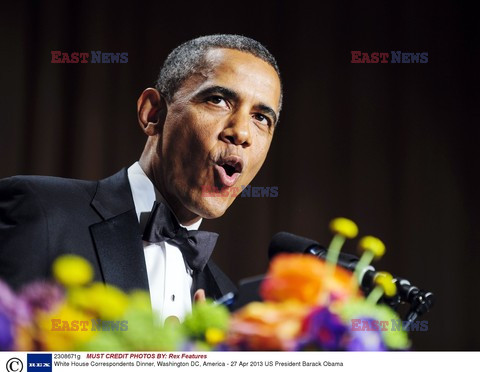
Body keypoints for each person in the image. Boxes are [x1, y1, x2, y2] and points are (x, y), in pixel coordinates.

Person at [0, 34, 282, 322]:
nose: (242, 133)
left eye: (261, 118)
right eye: (218, 100)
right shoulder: (40, 210)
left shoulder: (225, 303)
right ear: (153, 113)